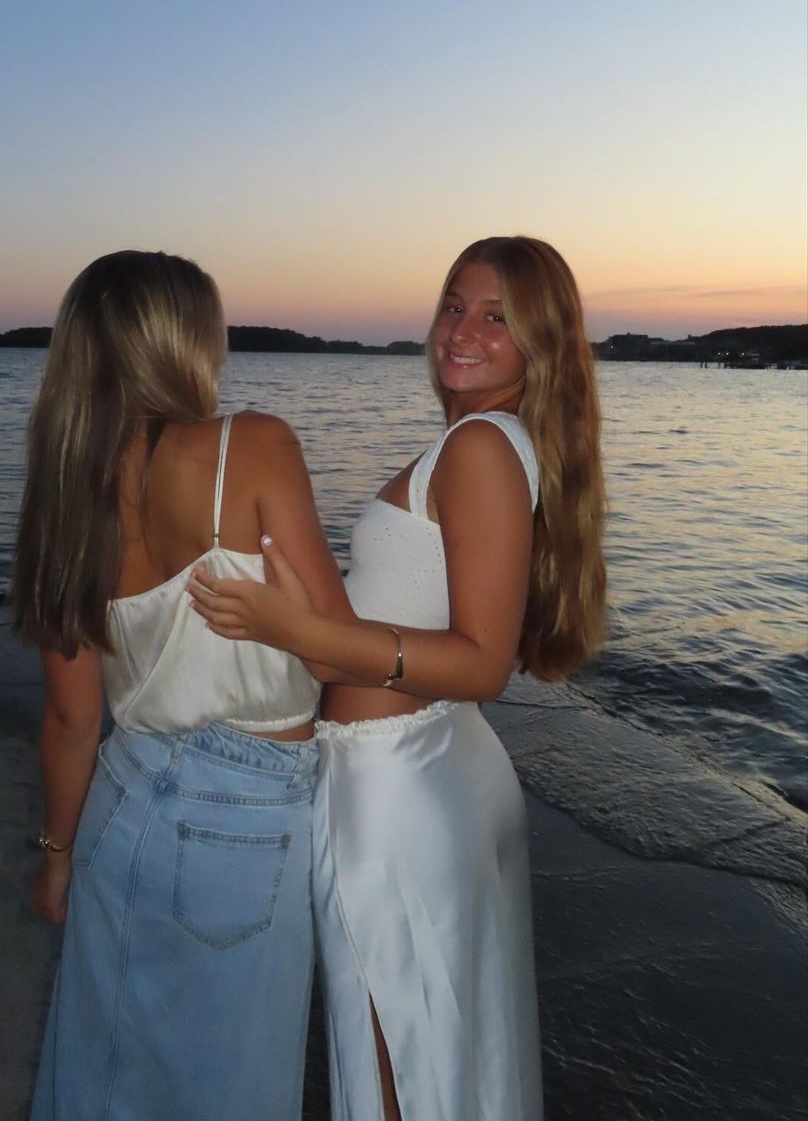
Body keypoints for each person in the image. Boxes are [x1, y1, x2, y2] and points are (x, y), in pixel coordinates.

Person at [191, 235, 606, 1121]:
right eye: (454, 306)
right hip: (432, 766)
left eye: (497, 318)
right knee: (442, 1063)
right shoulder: (490, 443)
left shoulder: (481, 449)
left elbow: (482, 662)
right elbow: (404, 627)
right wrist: (314, 636)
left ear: (542, 341)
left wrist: (304, 629)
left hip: (398, 788)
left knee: (400, 1076)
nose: (462, 331)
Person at [12, 250, 350, 1121]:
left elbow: (72, 719)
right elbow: (336, 655)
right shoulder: (253, 446)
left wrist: (56, 859)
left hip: (121, 806)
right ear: (180, 341)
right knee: (233, 1091)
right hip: (246, 822)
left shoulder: (64, 496)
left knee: (102, 1079)